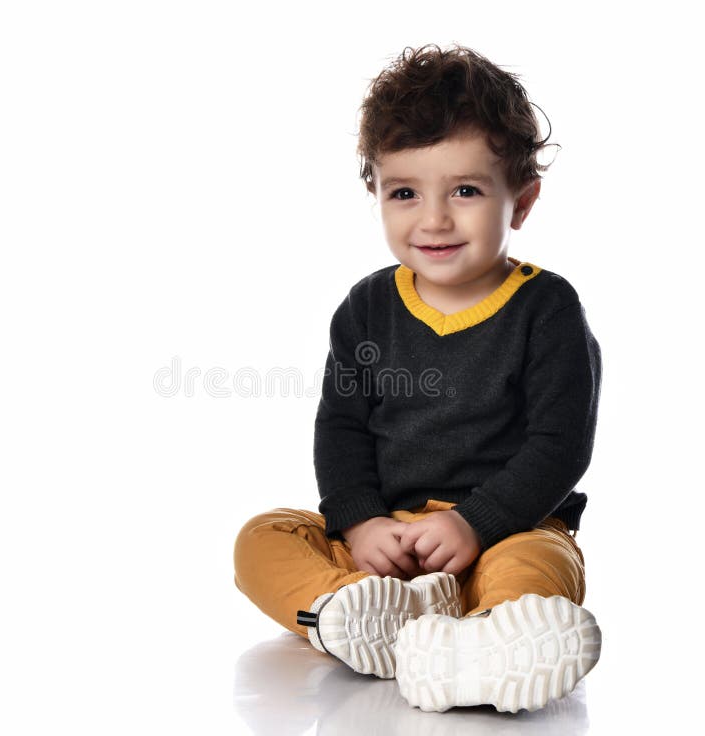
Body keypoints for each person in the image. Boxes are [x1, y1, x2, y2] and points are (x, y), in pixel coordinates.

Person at [233, 43, 603, 714]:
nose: (433, 219)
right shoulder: (366, 308)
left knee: (535, 570)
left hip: (507, 528)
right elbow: (341, 430)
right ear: (376, 190)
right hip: (387, 550)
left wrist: (475, 521)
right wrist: (363, 522)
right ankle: (351, 613)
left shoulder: (545, 309)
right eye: (405, 193)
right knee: (262, 538)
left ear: (520, 202)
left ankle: (497, 641)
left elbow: (560, 444)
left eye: (465, 190)